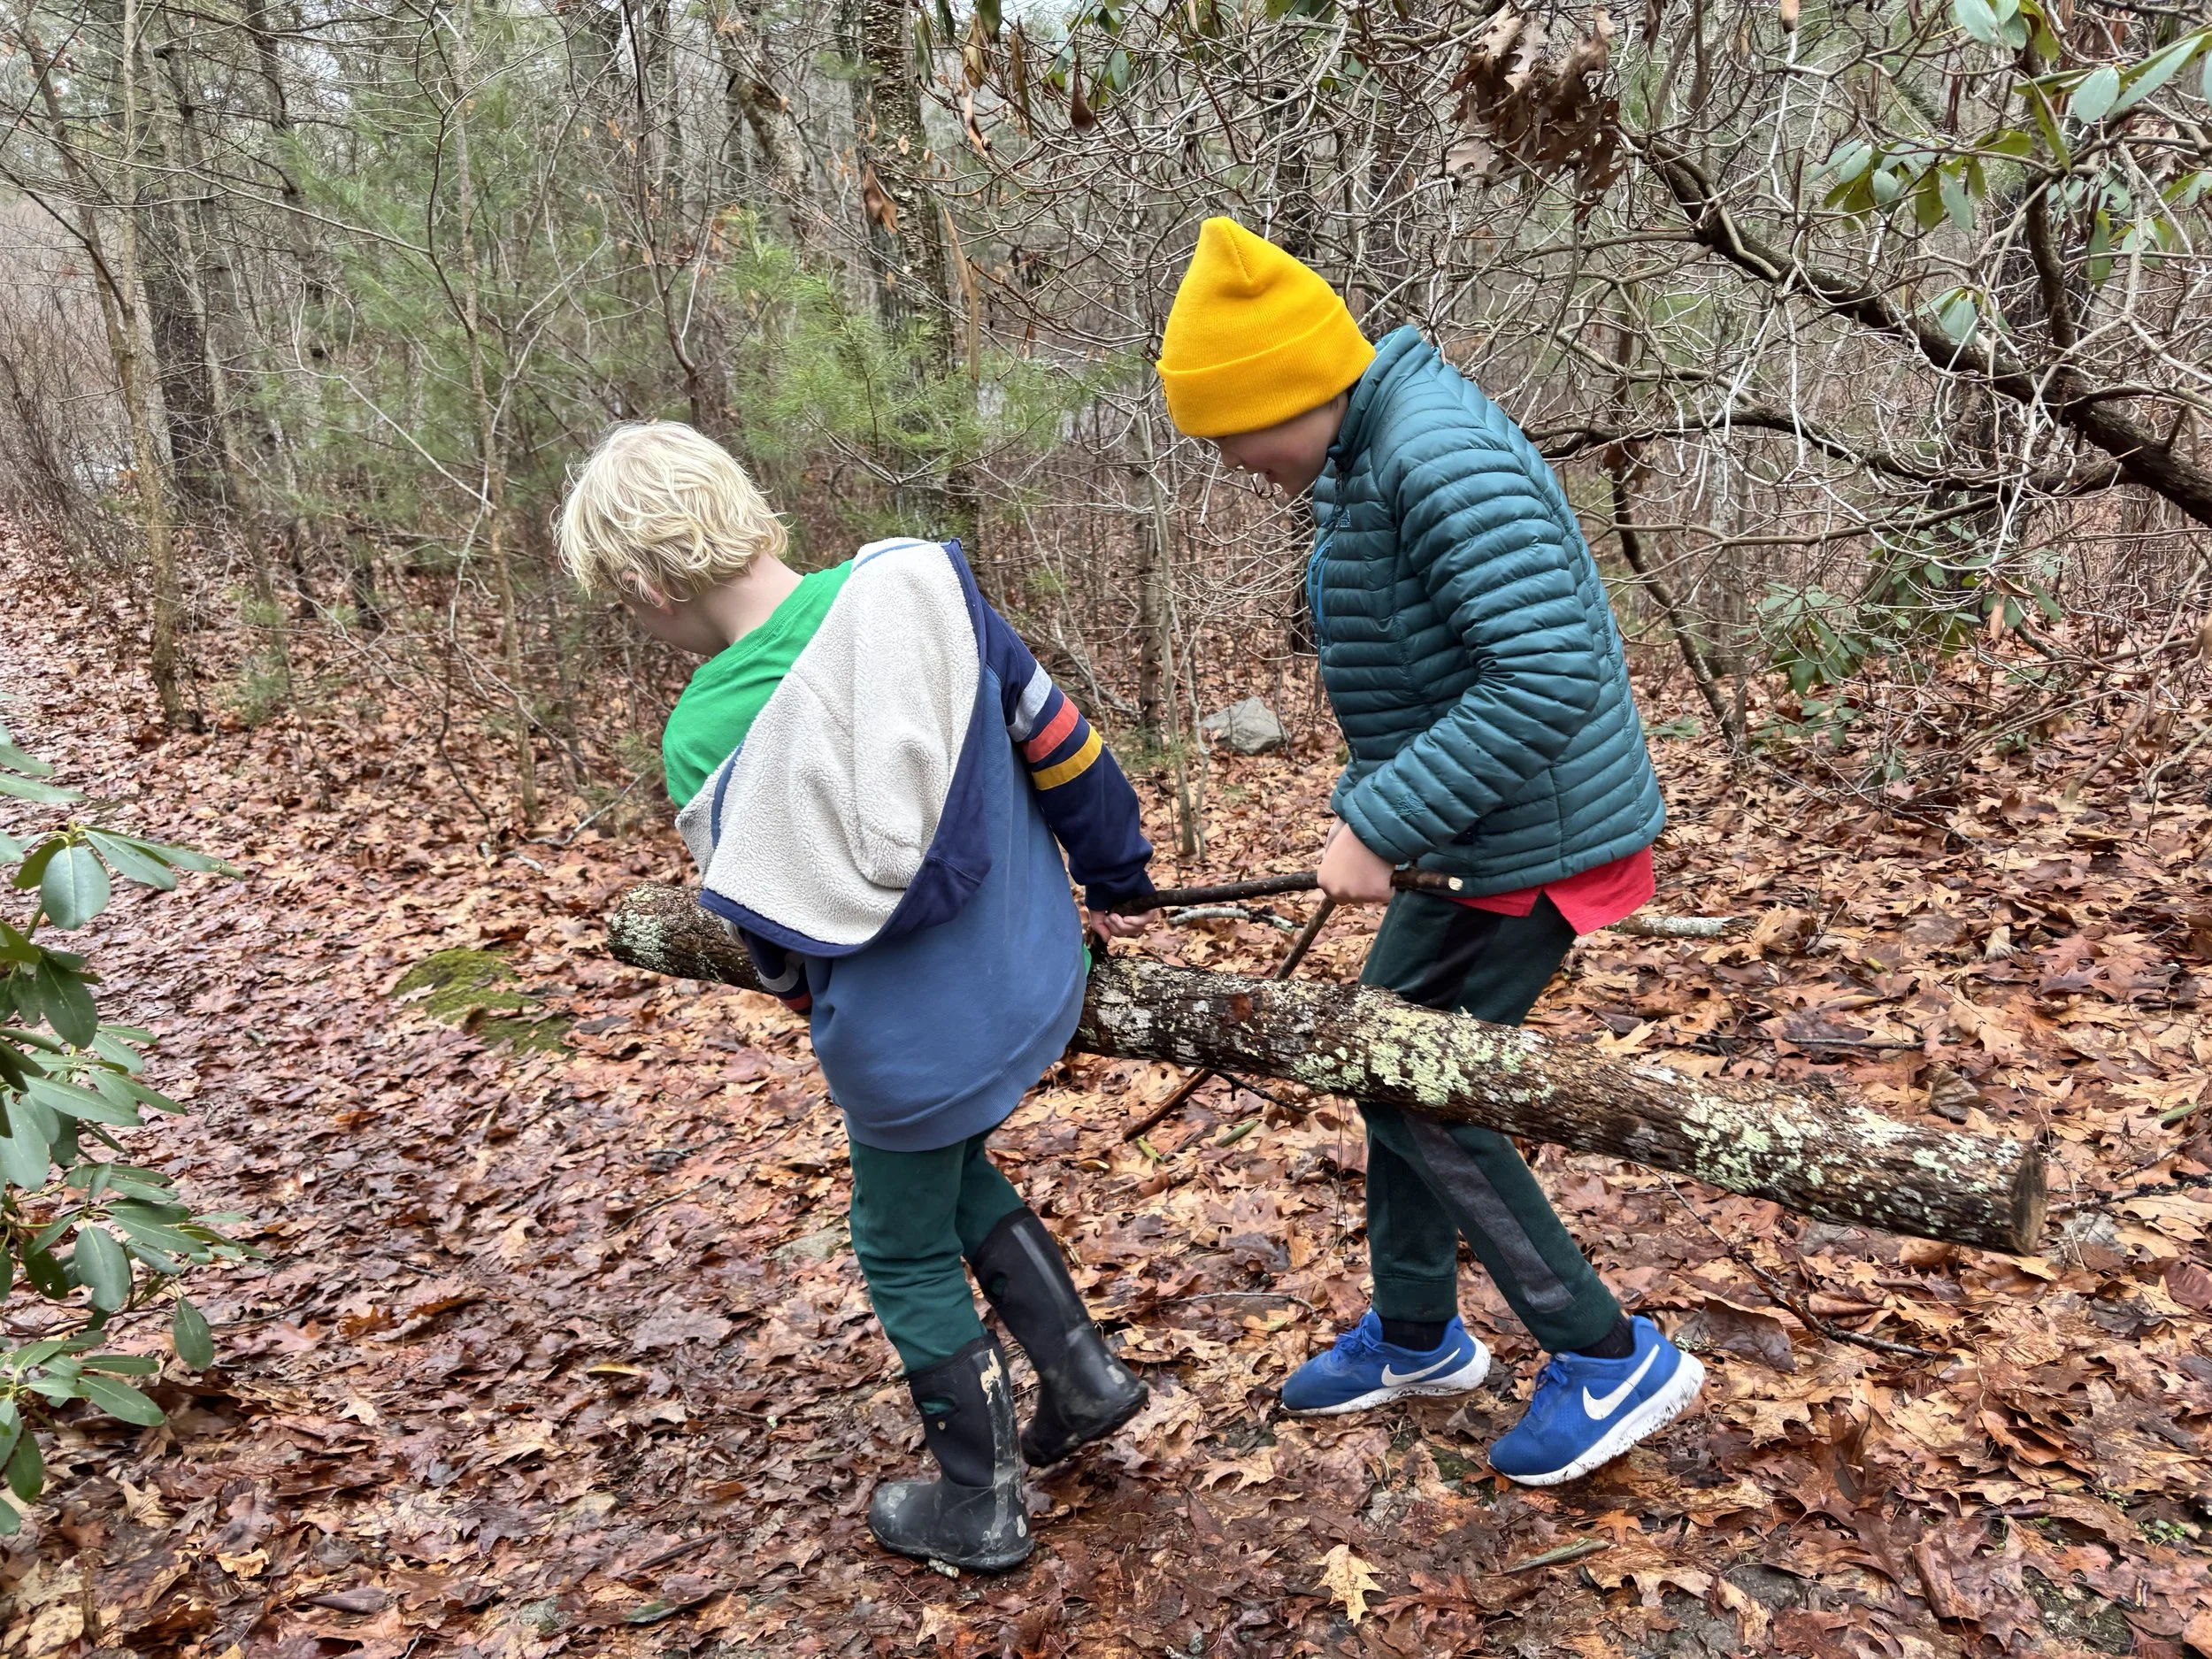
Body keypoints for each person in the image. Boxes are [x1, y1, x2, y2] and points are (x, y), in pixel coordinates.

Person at [1155, 219, 1703, 1486]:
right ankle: (1416, 1334)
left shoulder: (1436, 454)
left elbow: (1545, 671)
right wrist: (1375, 802)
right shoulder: (1369, 453)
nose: (1234, 462)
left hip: (1526, 840)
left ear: (1287, 390)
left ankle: (1609, 1351)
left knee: (1420, 1083)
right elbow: (1421, 669)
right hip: (1472, 837)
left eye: (1231, 432)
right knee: (1382, 1052)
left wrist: (1384, 820)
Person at [557, 421, 1159, 1570]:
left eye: (630, 607)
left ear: (644, 583)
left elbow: (777, 944)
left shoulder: (705, 731)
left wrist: (834, 1021)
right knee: (954, 1172)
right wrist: (1120, 875)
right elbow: (1059, 738)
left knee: (897, 1241)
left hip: (907, 1043)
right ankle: (1083, 1379)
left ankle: (979, 1502)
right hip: (1040, 969)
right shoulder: (915, 584)